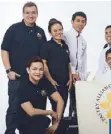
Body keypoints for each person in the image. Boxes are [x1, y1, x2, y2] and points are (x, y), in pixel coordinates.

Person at [1, 2, 46, 134]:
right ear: (23, 14)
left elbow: (43, 57)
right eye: (28, 13)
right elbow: (4, 50)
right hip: (17, 77)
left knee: (35, 111)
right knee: (14, 110)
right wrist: (9, 70)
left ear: (37, 14)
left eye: (33, 13)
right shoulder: (13, 29)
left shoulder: (40, 32)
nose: (31, 15)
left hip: (35, 80)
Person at [17, 57, 64, 134]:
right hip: (25, 123)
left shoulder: (44, 82)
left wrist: (56, 124)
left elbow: (60, 100)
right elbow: (31, 112)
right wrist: (50, 112)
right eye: (34, 69)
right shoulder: (22, 86)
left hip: (40, 121)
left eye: (40, 69)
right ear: (28, 70)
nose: (38, 72)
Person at [40, 18, 72, 115]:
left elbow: (68, 63)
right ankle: (55, 129)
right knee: (56, 109)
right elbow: (44, 64)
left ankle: (58, 129)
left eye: (60, 29)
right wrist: (51, 80)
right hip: (53, 83)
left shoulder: (65, 45)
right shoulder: (47, 46)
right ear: (50, 33)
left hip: (65, 83)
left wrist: (70, 78)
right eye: (55, 30)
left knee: (62, 110)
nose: (58, 32)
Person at [63, 11, 87, 118]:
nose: (80, 24)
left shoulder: (83, 41)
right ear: (72, 22)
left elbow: (83, 61)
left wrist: (82, 77)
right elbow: (64, 57)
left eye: (83, 22)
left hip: (78, 78)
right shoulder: (65, 36)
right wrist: (72, 73)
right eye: (78, 21)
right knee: (62, 103)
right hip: (66, 75)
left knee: (75, 106)